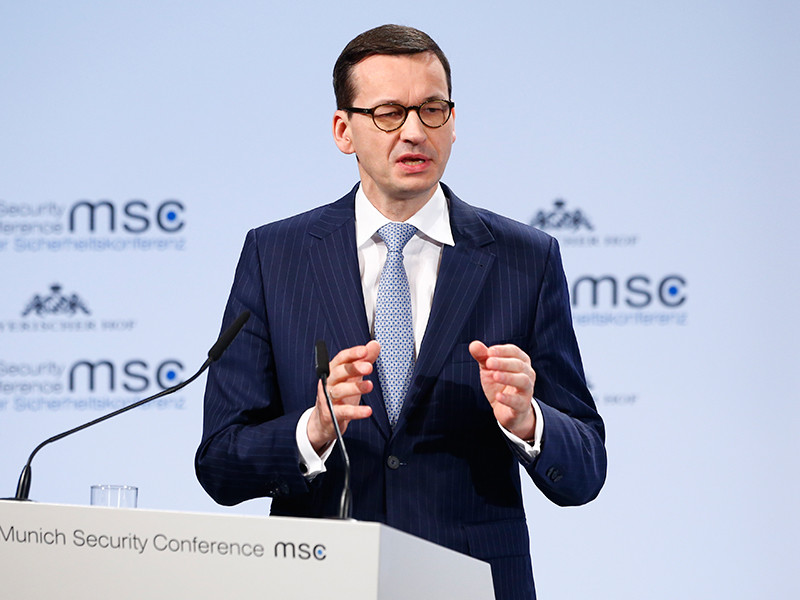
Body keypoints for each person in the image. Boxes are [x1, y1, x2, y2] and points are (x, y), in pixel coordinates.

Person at [196, 24, 606, 600]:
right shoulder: (275, 256)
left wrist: (529, 421)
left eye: (432, 110)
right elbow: (220, 465)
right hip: (318, 582)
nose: (415, 131)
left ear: (453, 123)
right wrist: (313, 431)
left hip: (472, 582)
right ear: (344, 130)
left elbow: (585, 471)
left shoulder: (525, 259)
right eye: (389, 113)